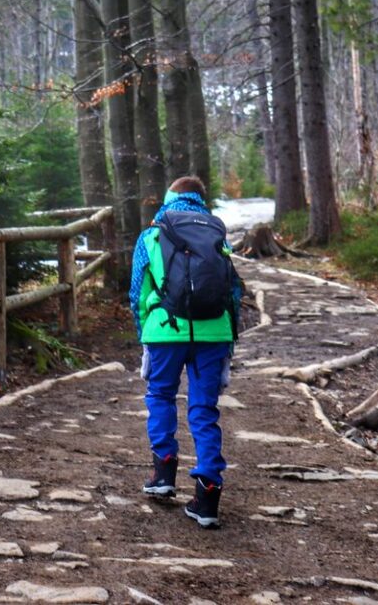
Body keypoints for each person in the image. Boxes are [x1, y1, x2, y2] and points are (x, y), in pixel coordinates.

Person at [129, 176, 241, 529]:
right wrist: (229, 342)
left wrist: (144, 334)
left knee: (160, 395)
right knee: (204, 409)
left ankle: (163, 473)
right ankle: (207, 497)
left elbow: (137, 292)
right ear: (201, 199)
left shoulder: (153, 233)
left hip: (165, 330)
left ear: (168, 196)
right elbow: (234, 292)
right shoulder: (216, 232)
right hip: (215, 331)